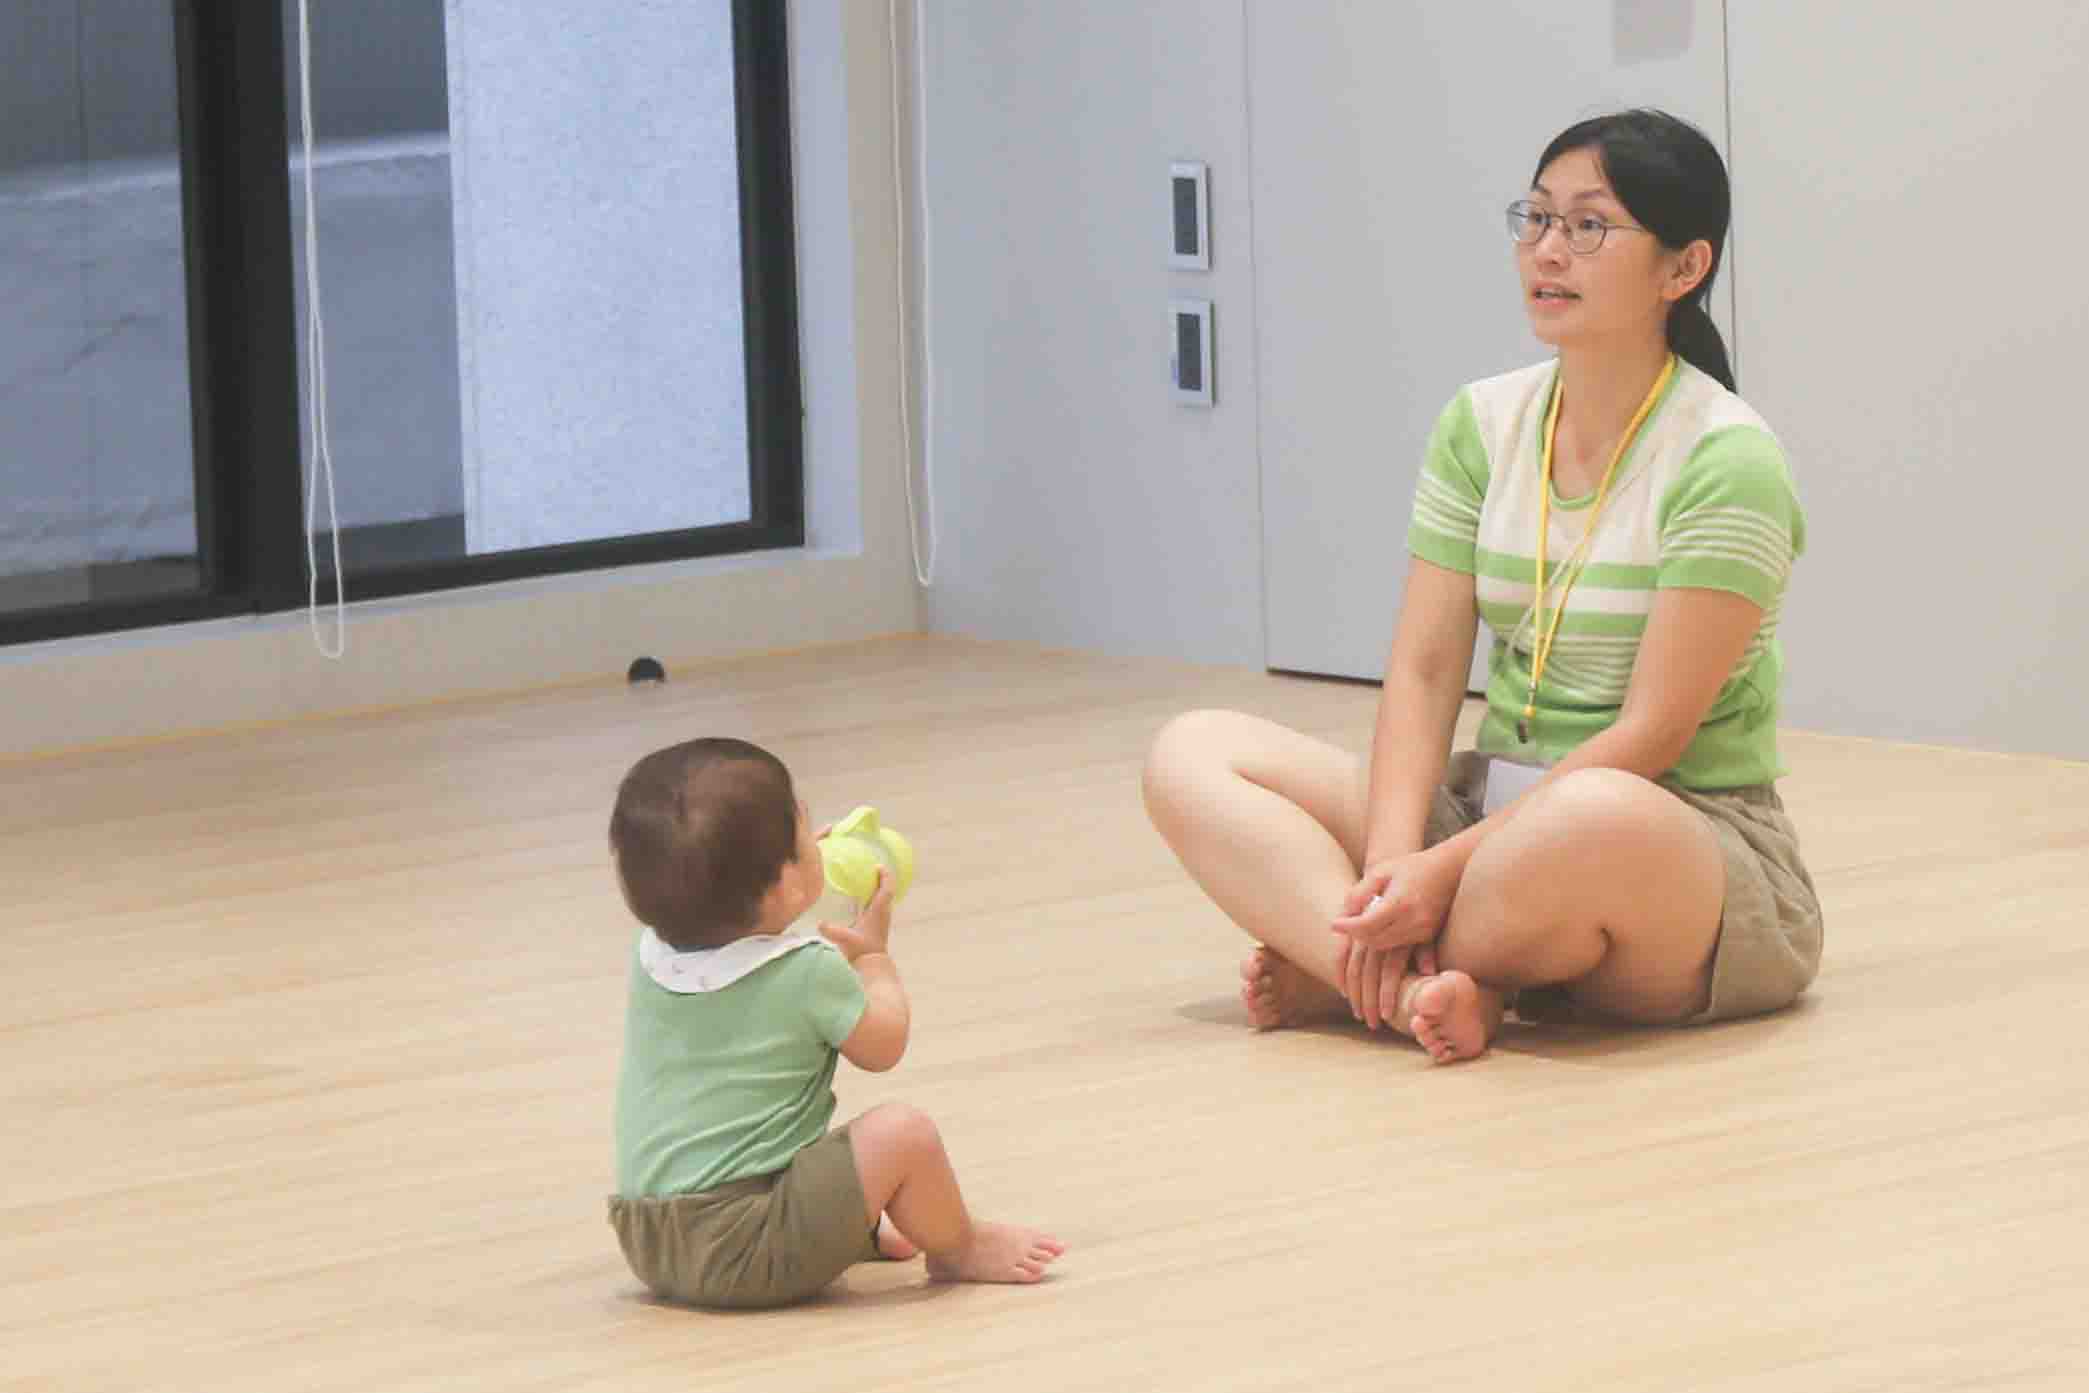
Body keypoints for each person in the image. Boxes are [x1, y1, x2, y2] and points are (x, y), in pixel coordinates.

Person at [1142, 109, 1822, 1064]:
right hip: (1490, 818)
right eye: (1536, 217)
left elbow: (1650, 737)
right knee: (1193, 750)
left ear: (1683, 268)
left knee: (1584, 817)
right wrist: (1394, 864)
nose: (1549, 249)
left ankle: (1361, 971)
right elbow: (1424, 672)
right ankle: (1406, 983)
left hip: (1668, 832)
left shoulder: (1726, 458)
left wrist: (1438, 873)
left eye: (1589, 225)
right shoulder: (1481, 422)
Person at [605, 737, 1064, 1307]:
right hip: (745, 1247)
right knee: (903, 1133)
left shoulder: (651, 956)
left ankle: (853, 1230)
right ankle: (960, 1247)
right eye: (804, 835)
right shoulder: (808, 971)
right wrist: (873, 958)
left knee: (764, 1129)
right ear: (786, 883)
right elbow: (883, 1046)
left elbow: (747, 958)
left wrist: (786, 887)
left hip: (649, 1238)